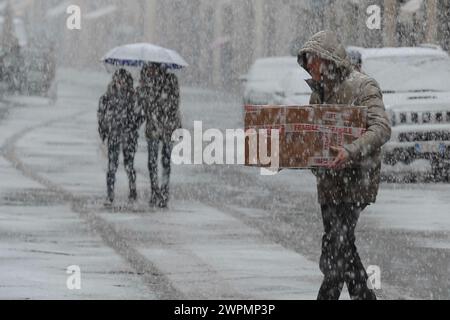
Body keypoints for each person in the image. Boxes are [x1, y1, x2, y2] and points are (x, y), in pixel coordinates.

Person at [297, 31, 391, 300]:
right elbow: (312, 136)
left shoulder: (363, 86)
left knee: (337, 245)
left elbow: (381, 128)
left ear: (328, 60)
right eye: (306, 62)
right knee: (341, 245)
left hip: (356, 181)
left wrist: (350, 151)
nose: (310, 66)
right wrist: (291, 155)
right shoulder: (318, 93)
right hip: (328, 182)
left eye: (313, 60)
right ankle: (364, 297)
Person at [137, 64, 182, 208]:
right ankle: (154, 190)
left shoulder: (170, 80)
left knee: (166, 160)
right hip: (153, 126)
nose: (150, 71)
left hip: (167, 126)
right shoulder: (146, 81)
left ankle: (164, 190)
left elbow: (174, 102)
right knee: (152, 161)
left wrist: (159, 103)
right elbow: (142, 103)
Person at [98, 69, 143, 206]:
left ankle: (132, 189)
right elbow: (101, 114)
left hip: (128, 136)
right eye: (118, 80)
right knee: (112, 166)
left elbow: (140, 116)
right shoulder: (107, 96)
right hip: (114, 135)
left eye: (123, 80)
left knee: (129, 165)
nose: (120, 83)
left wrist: (133, 126)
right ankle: (110, 194)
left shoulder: (133, 97)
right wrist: (104, 131)